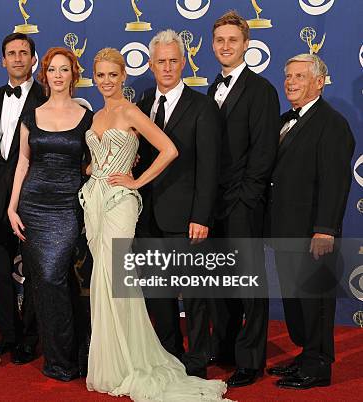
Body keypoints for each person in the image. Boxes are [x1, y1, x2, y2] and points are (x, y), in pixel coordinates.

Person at [81, 47, 228, 401]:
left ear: (124, 76)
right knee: (103, 278)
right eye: (100, 75)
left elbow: (169, 149)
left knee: (118, 280)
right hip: (96, 200)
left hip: (120, 203)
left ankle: (131, 361)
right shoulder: (97, 113)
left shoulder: (132, 109)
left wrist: (136, 181)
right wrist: (95, 172)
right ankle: (111, 359)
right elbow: (97, 158)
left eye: (112, 75)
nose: (105, 81)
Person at [135, 29, 221, 379]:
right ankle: (169, 353)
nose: (167, 67)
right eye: (161, 62)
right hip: (147, 217)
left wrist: (201, 215)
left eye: (173, 60)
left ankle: (198, 358)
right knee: (158, 292)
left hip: (186, 217)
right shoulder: (141, 105)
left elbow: (210, 167)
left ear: (183, 63)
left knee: (196, 293)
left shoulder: (202, 107)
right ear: (152, 65)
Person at [265, 54, 354, 390]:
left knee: (315, 301)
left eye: (300, 76)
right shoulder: (285, 119)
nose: (291, 82)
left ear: (319, 81)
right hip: (286, 230)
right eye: (288, 76)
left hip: (313, 233)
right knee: (296, 300)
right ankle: (306, 356)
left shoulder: (331, 124)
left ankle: (318, 366)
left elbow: (335, 182)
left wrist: (325, 229)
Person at [8, 47, 92, 381]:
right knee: (44, 282)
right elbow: (23, 162)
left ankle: (73, 355)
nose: (58, 76)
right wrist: (12, 207)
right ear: (45, 75)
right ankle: (60, 360)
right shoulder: (32, 115)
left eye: (65, 69)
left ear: (74, 74)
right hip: (33, 205)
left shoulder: (88, 116)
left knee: (57, 278)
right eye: (53, 70)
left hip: (68, 206)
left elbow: (91, 161)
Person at [207, 11, 280, 387]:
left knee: (250, 285)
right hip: (212, 205)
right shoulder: (210, 88)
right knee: (219, 281)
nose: (225, 46)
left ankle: (251, 360)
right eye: (219, 40)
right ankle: (225, 348)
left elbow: (264, 152)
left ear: (246, 44)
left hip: (243, 204)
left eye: (232, 40)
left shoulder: (262, 90)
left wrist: (246, 200)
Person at [0, 32, 45, 363]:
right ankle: (9, 333)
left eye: (24, 52)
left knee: (34, 268)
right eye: (12, 53)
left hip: (34, 196)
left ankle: (30, 337)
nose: (18, 58)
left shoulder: (50, 96)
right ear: (2, 60)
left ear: (33, 59)